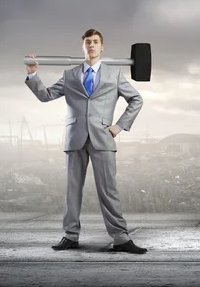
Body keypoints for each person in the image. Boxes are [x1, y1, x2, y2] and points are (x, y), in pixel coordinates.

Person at [25, 28, 147, 254]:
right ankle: (70, 236)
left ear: (102, 47)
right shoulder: (70, 75)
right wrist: (33, 75)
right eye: (88, 42)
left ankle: (120, 238)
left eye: (96, 42)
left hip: (103, 137)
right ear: (83, 46)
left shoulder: (114, 74)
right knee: (72, 190)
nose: (91, 45)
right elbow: (46, 96)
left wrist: (119, 126)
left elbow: (136, 100)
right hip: (75, 139)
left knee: (109, 190)